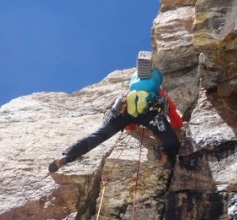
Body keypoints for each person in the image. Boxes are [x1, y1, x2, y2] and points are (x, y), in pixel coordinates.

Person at [48, 51, 183, 173]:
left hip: (124, 113)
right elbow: (176, 122)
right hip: (150, 114)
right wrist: (170, 126)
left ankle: (64, 158)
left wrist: (131, 125)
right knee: (171, 141)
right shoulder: (160, 95)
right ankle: (166, 154)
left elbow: (129, 125)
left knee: (98, 135)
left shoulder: (127, 95)